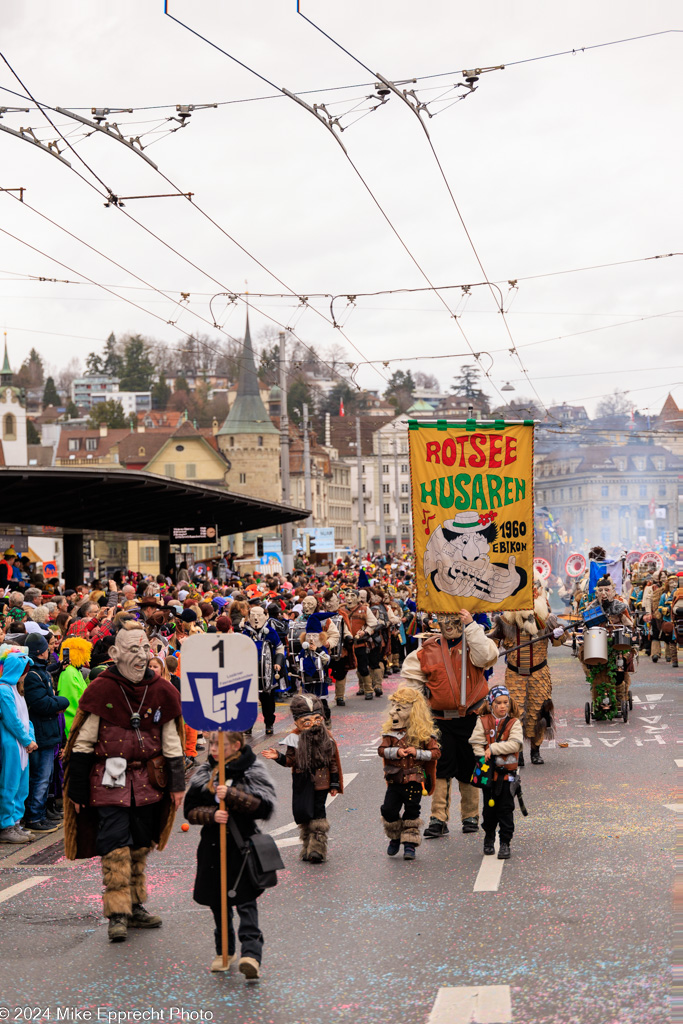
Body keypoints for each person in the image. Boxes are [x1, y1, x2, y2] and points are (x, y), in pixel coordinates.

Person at [62, 619, 186, 943]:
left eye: (145, 648)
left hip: (148, 783)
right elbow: (82, 743)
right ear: (115, 653)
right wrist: (76, 789)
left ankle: (135, 905)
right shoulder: (100, 688)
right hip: (108, 782)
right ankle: (117, 913)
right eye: (134, 649)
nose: (142, 655)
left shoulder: (162, 690)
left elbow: (173, 743)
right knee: (115, 846)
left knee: (140, 845)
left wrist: (176, 785)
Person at [184, 730, 276, 977]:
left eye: (219, 744)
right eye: (211, 744)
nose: (212, 748)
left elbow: (265, 808)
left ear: (236, 745)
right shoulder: (205, 773)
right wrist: (211, 815)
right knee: (218, 903)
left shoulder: (252, 770)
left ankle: (251, 954)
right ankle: (224, 951)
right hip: (212, 849)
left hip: (242, 847)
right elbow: (190, 810)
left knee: (246, 902)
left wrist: (233, 796)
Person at [401, 610, 499, 838]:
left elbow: (486, 656)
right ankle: (438, 818)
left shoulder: (474, 642)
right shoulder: (426, 649)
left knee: (470, 767)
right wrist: (416, 717)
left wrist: (472, 626)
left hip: (472, 719)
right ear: (437, 621)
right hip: (440, 720)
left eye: (455, 619)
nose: (449, 624)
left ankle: (470, 816)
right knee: (440, 768)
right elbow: (414, 684)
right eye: (443, 619)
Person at [488, 573, 566, 765]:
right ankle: (518, 751)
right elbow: (491, 644)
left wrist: (559, 633)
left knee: (538, 712)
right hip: (515, 673)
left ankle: (536, 751)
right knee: (515, 711)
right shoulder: (505, 620)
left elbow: (559, 642)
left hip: (539, 673)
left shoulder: (547, 617)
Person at [262, 694, 343, 863]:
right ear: (297, 723)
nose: (313, 724)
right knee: (304, 813)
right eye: (307, 721)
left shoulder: (326, 737)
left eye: (317, 719)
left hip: (321, 782)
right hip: (302, 782)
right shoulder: (294, 738)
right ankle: (308, 846)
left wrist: (334, 783)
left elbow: (333, 762)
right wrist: (278, 756)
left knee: (318, 813)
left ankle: (318, 849)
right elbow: (290, 761)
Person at [378, 687, 440, 860]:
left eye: (399, 708)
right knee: (388, 810)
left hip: (415, 779)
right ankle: (396, 836)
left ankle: (409, 845)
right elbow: (381, 750)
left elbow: (436, 753)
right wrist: (396, 752)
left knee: (412, 812)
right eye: (393, 706)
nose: (393, 712)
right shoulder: (391, 733)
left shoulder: (424, 734)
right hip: (395, 779)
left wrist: (417, 752)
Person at [23, 633, 70, 833]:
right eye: (47, 647)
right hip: (41, 733)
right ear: (41, 651)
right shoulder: (34, 676)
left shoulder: (41, 672)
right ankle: (35, 817)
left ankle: (40, 814)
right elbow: (41, 703)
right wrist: (62, 702)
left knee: (46, 777)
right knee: (40, 778)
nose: (50, 650)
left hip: (47, 733)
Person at [469, 685, 523, 860]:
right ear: (491, 703)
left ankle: (505, 842)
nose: (502, 706)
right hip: (489, 774)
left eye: (505, 703)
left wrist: (492, 747)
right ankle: (489, 837)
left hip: (507, 774)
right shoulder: (482, 720)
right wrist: (482, 755)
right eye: (498, 703)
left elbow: (515, 744)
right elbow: (475, 742)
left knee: (506, 809)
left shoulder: (514, 723)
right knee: (489, 809)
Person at [0, 645, 38, 843]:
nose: (26, 674)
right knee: (9, 784)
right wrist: (26, 740)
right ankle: (6, 825)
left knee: (22, 785)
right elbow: (11, 720)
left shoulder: (17, 690)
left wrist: (30, 739)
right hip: (11, 744)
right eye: (24, 670)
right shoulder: (3, 691)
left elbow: (26, 718)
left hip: (22, 744)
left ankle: (15, 822)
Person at [57, 637, 92, 739]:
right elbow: (72, 701)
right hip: (72, 725)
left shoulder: (75, 671)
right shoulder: (70, 672)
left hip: (77, 724)